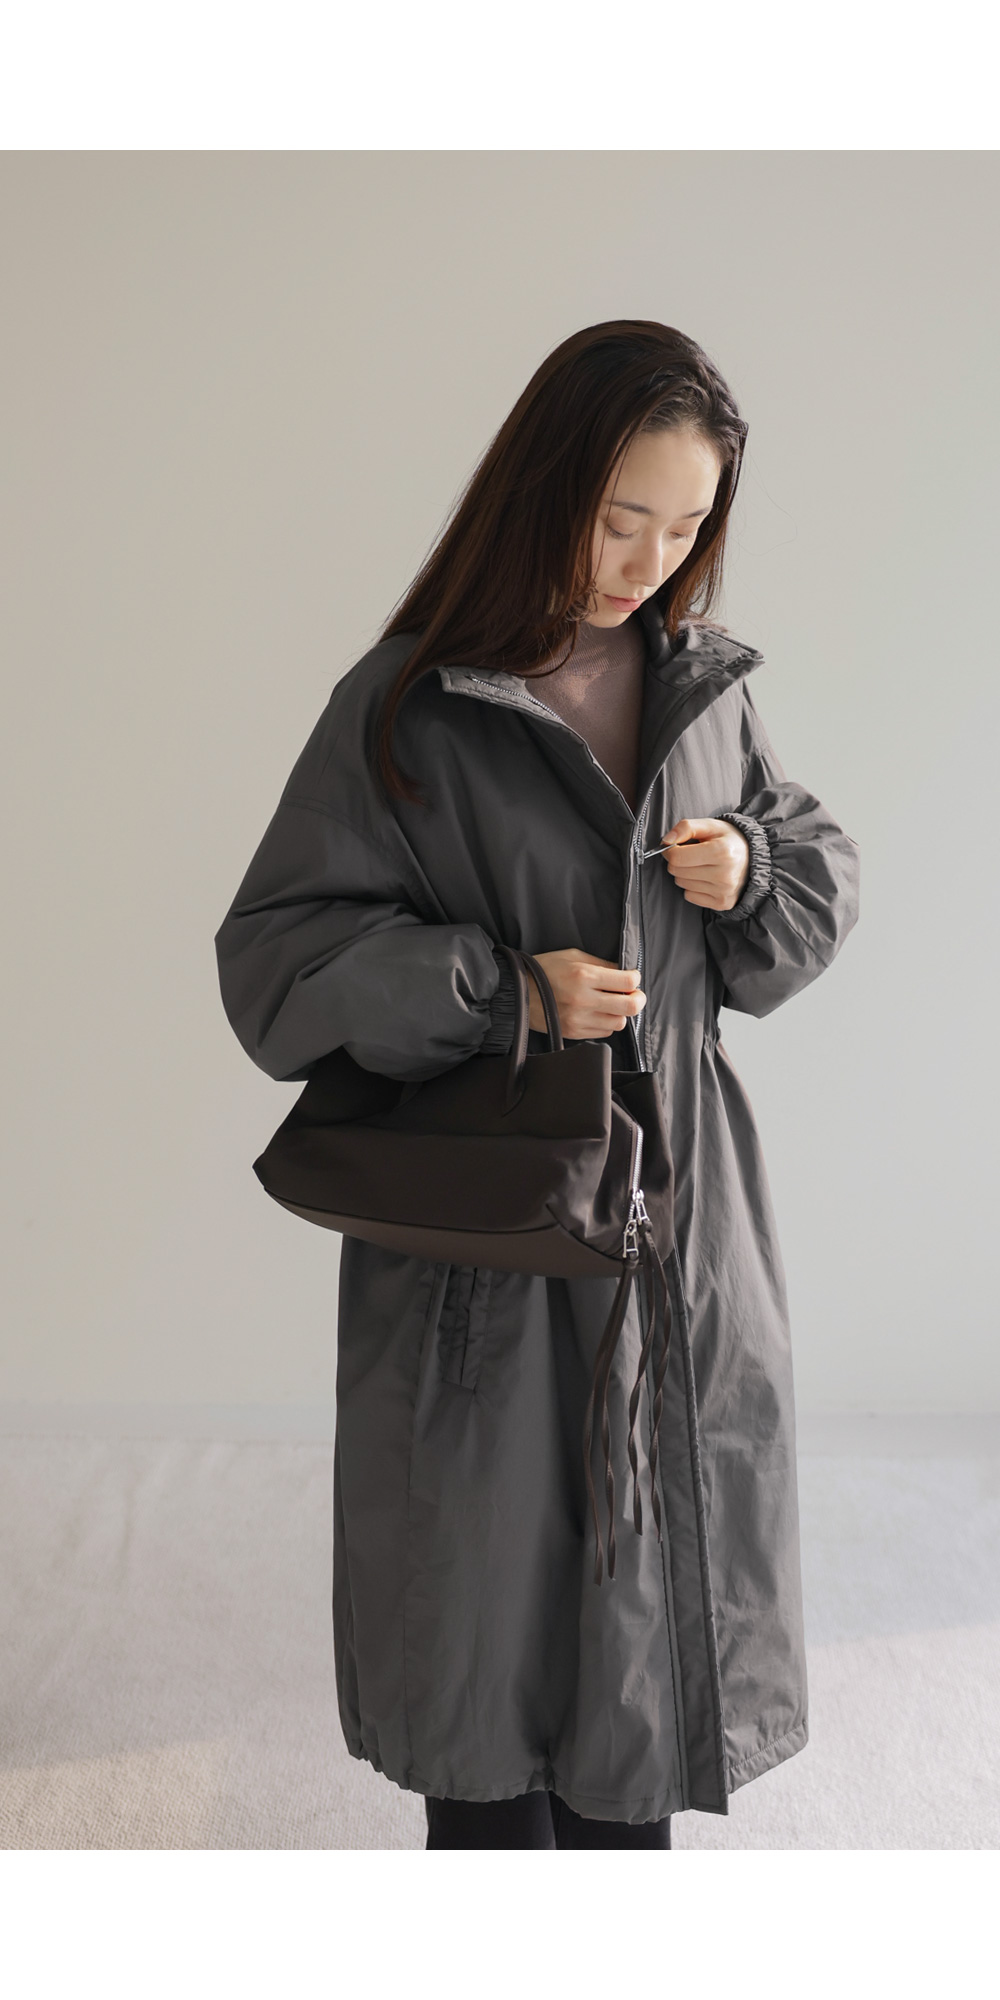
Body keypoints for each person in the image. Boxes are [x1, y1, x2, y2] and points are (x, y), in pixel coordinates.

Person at [214, 320, 860, 1850]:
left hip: (675, 1230)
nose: (649, 560)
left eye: (686, 525)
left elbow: (811, 885)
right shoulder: (407, 704)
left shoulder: (703, 689)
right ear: (545, 486)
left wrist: (750, 863)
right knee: (486, 1676)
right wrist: (505, 990)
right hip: (485, 1259)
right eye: (621, 515)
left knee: (647, 1676)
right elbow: (278, 968)